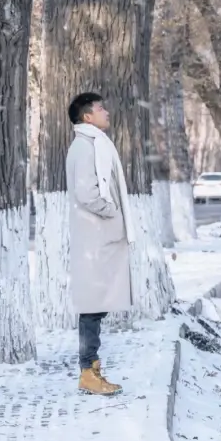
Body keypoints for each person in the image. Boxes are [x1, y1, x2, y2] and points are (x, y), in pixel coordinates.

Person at [66, 92, 135, 395]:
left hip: (101, 237)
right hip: (94, 238)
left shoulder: (95, 143)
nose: (106, 110)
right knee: (92, 308)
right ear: (87, 117)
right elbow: (87, 192)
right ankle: (87, 372)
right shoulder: (84, 147)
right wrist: (113, 212)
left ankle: (92, 369)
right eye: (100, 107)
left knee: (97, 306)